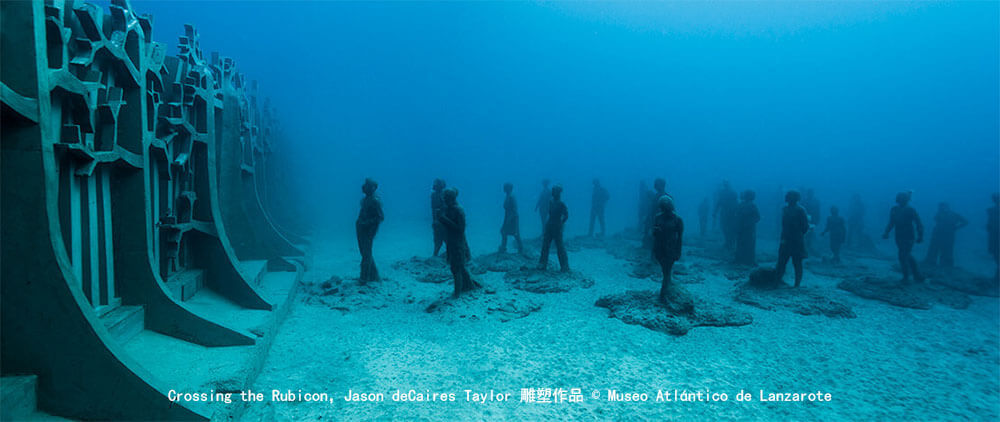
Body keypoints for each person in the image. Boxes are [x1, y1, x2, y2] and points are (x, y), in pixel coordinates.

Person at [438, 187, 477, 296]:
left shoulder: (458, 210)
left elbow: (461, 229)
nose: (444, 200)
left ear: (450, 198)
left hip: (457, 243)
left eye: (445, 198)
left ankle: (457, 293)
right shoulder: (450, 208)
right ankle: (468, 286)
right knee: (457, 266)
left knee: (456, 268)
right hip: (451, 242)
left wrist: (444, 219)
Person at [882, 191, 924, 283]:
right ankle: (917, 275)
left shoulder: (911, 210)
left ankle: (906, 277)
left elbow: (918, 223)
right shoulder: (894, 209)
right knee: (906, 255)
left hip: (909, 236)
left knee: (902, 255)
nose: (901, 200)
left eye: (903, 199)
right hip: (899, 236)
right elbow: (891, 222)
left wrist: (920, 235)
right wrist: (886, 232)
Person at [652, 196, 683, 303]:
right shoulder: (657, 217)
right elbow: (654, 234)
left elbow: (680, 238)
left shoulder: (678, 220)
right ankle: (667, 291)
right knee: (665, 271)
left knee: (667, 271)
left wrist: (678, 252)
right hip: (660, 248)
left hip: (671, 248)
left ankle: (664, 294)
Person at [775, 190, 809, 287]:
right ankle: (777, 280)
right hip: (785, 239)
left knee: (797, 262)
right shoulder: (785, 209)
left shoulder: (800, 210)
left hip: (795, 240)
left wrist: (797, 234)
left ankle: (797, 284)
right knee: (782, 261)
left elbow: (805, 226)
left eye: (788, 196)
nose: (786, 197)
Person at [356, 178, 384, 282]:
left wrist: (366, 223)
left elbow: (380, 217)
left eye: (367, 185)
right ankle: (374, 276)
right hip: (360, 228)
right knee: (364, 252)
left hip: (368, 231)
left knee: (366, 254)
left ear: (372, 188)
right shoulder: (364, 200)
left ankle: (364, 277)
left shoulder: (375, 201)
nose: (364, 187)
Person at [923, 202, 968, 267]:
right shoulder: (941, 214)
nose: (941, 208)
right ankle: (935, 263)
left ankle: (943, 264)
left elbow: (965, 222)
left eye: (942, 207)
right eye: (940, 207)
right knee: (937, 249)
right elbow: (936, 220)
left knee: (944, 249)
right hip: (941, 235)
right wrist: (955, 228)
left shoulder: (953, 214)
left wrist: (956, 228)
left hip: (945, 235)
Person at [538, 184, 570, 272]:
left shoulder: (561, 204)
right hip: (549, 225)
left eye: (554, 191)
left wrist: (561, 223)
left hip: (556, 226)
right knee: (545, 245)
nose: (552, 193)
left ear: (558, 193)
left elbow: (566, 215)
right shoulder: (551, 202)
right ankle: (542, 264)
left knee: (560, 246)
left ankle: (564, 266)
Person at [734, 190, 760, 266]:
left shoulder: (742, 205)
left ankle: (741, 259)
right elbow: (758, 217)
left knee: (741, 244)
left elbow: (757, 217)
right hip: (747, 229)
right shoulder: (751, 205)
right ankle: (748, 260)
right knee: (748, 244)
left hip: (745, 228)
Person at [644, 178, 671, 247]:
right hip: (655, 221)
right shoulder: (658, 196)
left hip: (660, 222)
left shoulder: (665, 197)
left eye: (656, 184)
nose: (655, 186)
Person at [499, 183, 524, 254]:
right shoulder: (508, 196)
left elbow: (514, 209)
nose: (503, 188)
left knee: (515, 233)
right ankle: (503, 247)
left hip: (512, 218)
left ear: (508, 188)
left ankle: (520, 249)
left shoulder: (511, 197)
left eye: (505, 187)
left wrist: (510, 219)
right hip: (507, 217)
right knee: (504, 232)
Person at [714, 180, 738, 249]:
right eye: (725, 184)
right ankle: (728, 242)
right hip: (725, 212)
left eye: (726, 184)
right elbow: (719, 202)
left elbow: (736, 202)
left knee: (730, 228)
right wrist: (715, 212)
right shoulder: (722, 192)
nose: (725, 185)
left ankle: (731, 242)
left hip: (731, 213)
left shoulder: (733, 192)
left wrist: (737, 212)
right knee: (724, 227)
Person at [430, 179, 446, 257]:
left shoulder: (445, 194)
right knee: (437, 240)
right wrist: (435, 220)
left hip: (445, 221)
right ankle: (435, 254)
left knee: (448, 239)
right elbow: (433, 209)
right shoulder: (433, 195)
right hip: (438, 221)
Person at [987, 193, 999, 280]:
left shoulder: (991, 210)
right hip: (993, 235)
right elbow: (990, 222)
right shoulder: (991, 210)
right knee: (995, 253)